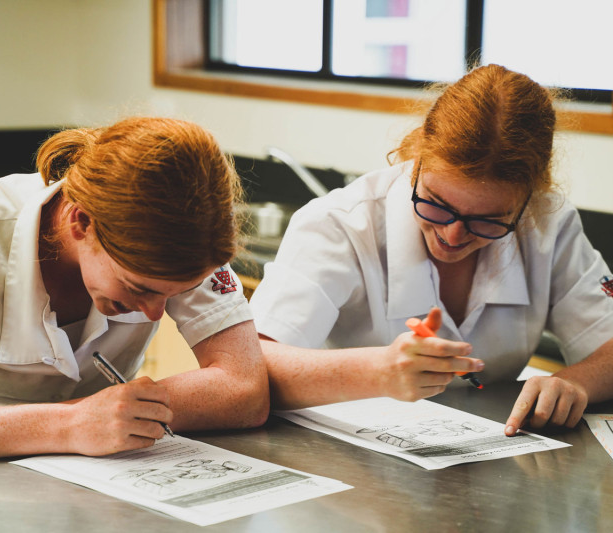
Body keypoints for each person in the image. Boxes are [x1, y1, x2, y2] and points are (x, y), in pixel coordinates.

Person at [0, 116, 269, 465]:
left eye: (172, 295)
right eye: (139, 288)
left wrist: (113, 417)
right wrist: (69, 424)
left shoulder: (186, 238)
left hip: (99, 472)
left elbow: (245, 388)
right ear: (81, 223)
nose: (155, 314)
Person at [249, 64, 613, 437]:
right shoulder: (340, 224)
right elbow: (252, 366)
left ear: (528, 200)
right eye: (436, 204)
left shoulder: (548, 225)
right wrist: (376, 371)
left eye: (488, 221)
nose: (453, 235)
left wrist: (575, 382)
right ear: (418, 158)